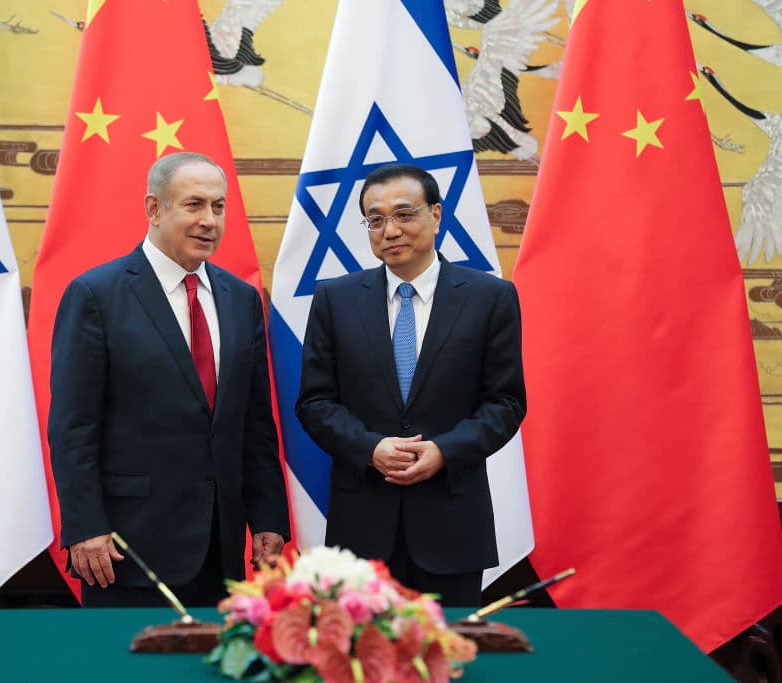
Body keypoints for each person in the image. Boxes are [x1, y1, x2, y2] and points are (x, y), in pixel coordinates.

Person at [49, 151, 290, 607]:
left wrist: (268, 519)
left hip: (220, 549)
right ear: (154, 209)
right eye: (194, 204)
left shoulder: (241, 299)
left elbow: (254, 424)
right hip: (124, 549)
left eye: (218, 207)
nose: (209, 220)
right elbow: (73, 427)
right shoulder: (96, 295)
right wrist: (85, 526)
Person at [295, 163, 526, 606]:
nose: (390, 230)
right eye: (375, 219)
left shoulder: (490, 298)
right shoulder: (335, 300)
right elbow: (315, 402)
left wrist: (445, 451)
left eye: (404, 214)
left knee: (446, 647)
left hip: (452, 522)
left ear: (436, 215)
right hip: (361, 528)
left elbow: (506, 402)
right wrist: (370, 448)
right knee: (360, 649)